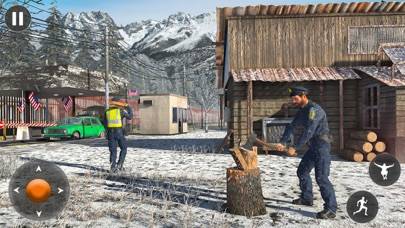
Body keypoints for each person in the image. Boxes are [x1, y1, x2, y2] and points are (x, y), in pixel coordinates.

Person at [274, 86, 337, 219]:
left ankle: (331, 209)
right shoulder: (302, 111)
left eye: (296, 99)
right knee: (302, 171)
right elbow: (291, 126)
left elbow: (309, 131)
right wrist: (283, 142)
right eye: (292, 99)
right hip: (313, 147)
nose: (294, 101)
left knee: (321, 178)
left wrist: (295, 147)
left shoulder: (314, 110)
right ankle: (307, 198)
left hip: (322, 147)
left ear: (304, 96)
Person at [104, 97, 133, 172]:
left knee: (113, 151)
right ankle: (119, 165)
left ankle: (113, 168)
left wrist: (107, 133)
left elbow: (104, 123)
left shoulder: (107, 111)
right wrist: (128, 107)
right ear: (119, 103)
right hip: (119, 132)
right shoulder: (121, 111)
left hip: (110, 133)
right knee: (123, 148)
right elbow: (130, 117)